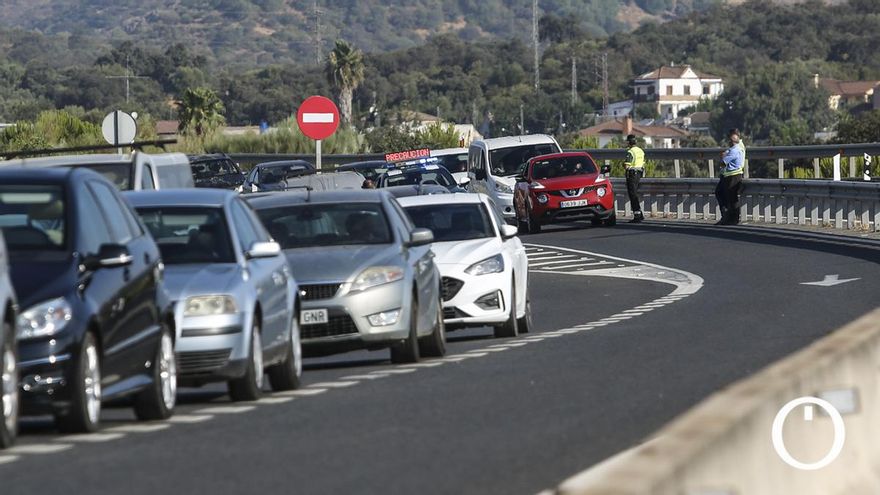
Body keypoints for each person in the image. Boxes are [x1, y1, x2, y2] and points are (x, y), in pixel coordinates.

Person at [715, 129, 745, 225]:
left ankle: (732, 218)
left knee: (731, 198)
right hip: (730, 175)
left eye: (729, 139)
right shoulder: (739, 146)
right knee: (724, 195)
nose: (728, 141)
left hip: (732, 176)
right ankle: (727, 217)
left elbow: (723, 163)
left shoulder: (735, 150)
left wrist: (723, 156)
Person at [624, 134, 645, 223]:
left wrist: (623, 164)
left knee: (633, 195)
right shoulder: (641, 151)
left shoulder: (630, 152)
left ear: (629, 142)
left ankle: (637, 216)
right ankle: (640, 214)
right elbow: (643, 163)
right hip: (639, 174)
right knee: (635, 194)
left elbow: (626, 166)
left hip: (632, 175)